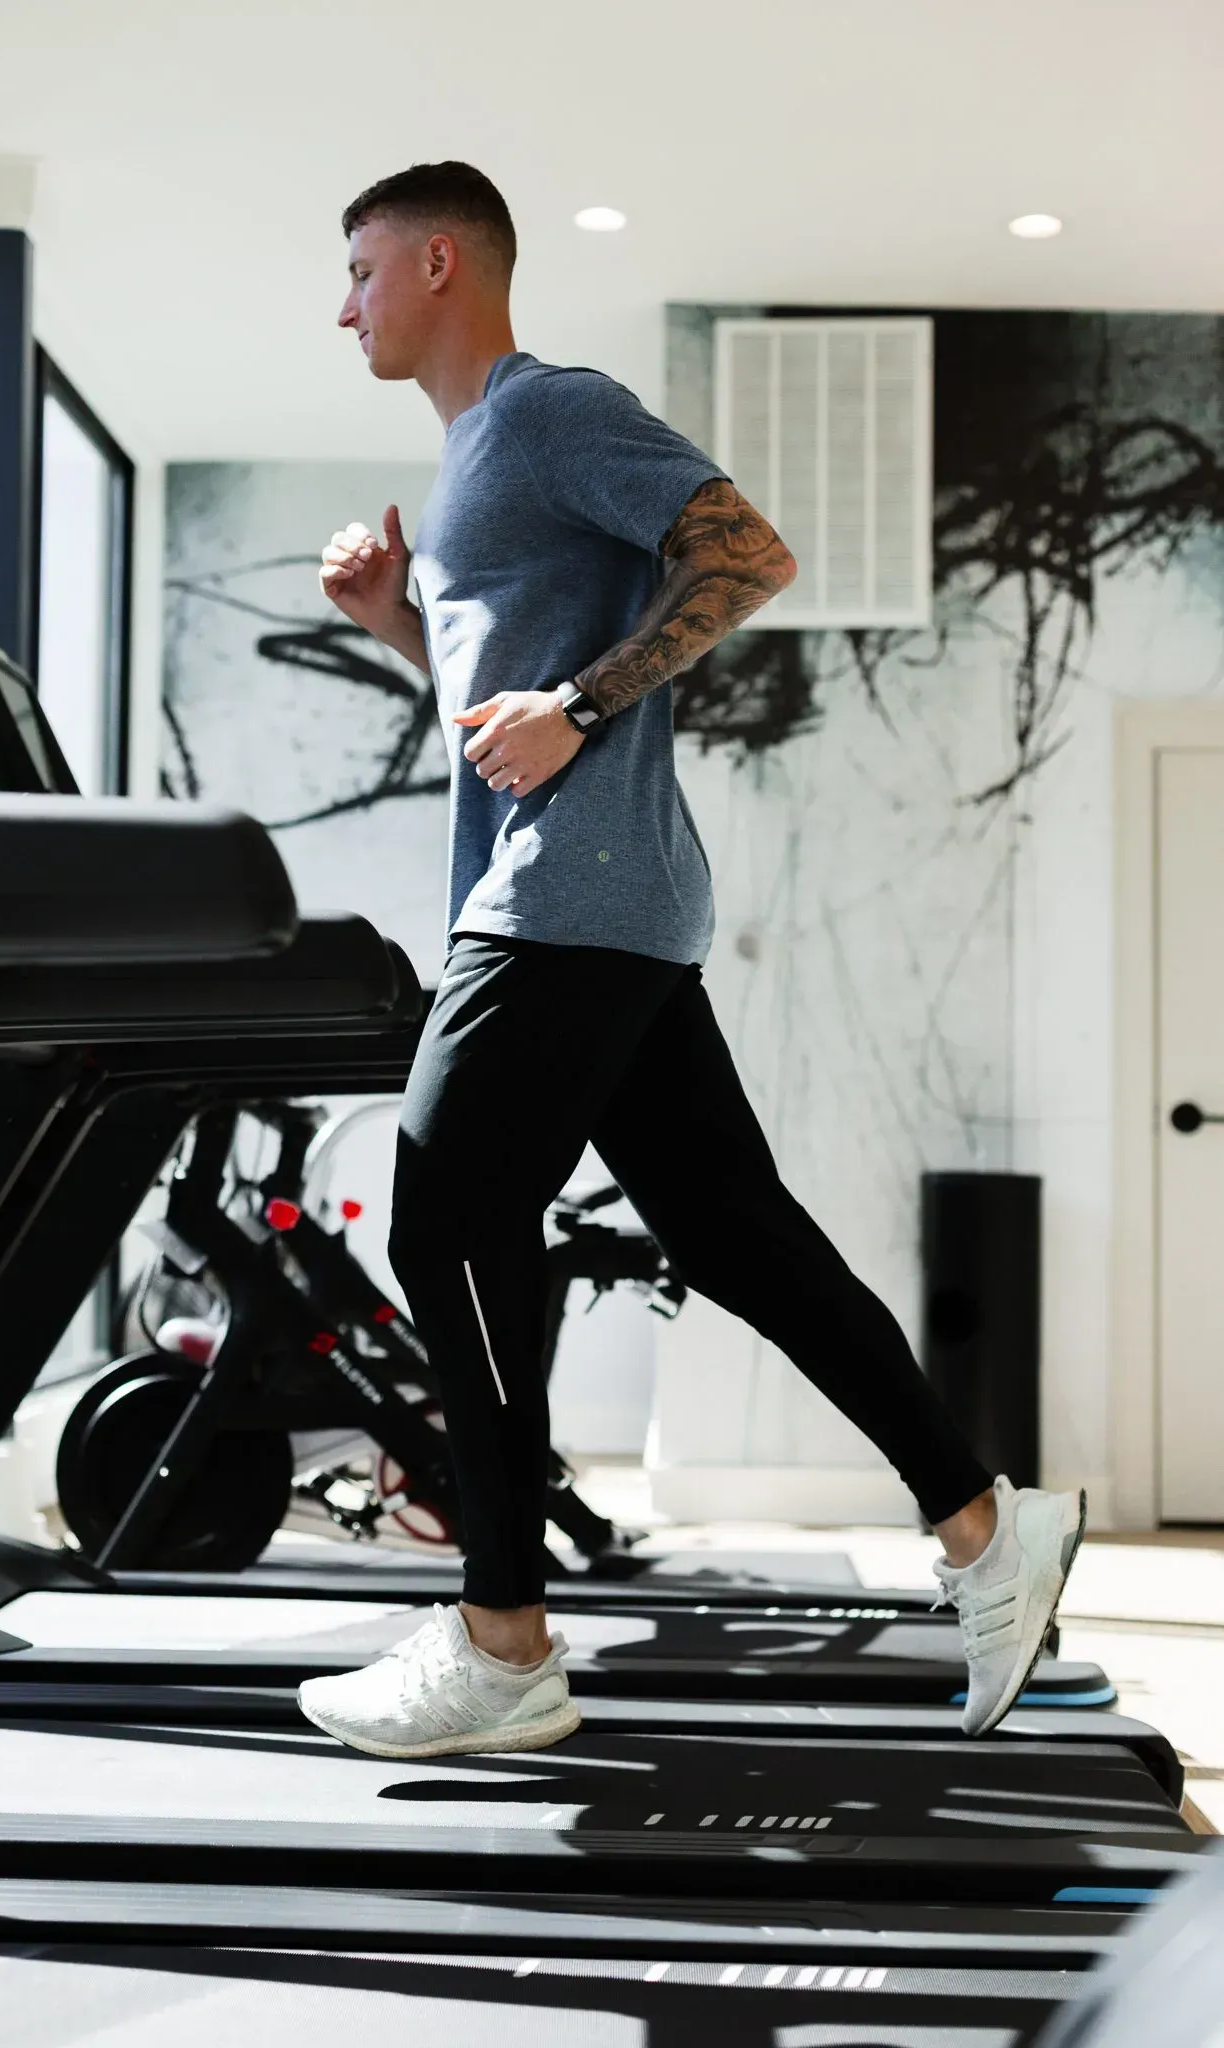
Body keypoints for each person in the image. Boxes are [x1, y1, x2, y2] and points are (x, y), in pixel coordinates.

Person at [296, 160, 1084, 1762]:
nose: (346, 304)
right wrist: (400, 617)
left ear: (441, 261)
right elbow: (491, 726)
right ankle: (988, 1529)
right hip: (601, 897)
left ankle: (501, 1639)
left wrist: (581, 705)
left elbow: (746, 553)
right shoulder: (472, 472)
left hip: (566, 903)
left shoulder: (543, 414)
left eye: (365, 271)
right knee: (733, 1234)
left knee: (447, 1213)